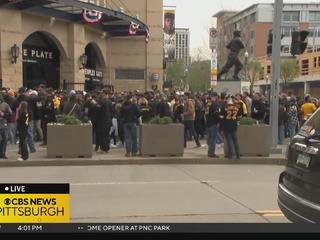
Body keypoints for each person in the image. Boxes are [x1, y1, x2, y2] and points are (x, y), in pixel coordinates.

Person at [206, 93, 221, 158]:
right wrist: (218, 121)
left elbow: (206, 113)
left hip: (209, 123)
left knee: (211, 138)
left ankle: (209, 152)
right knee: (213, 139)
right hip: (213, 123)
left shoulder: (208, 104)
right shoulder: (215, 104)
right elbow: (216, 114)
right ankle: (211, 153)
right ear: (216, 97)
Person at [0, 95, 12, 159]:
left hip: (3, 124)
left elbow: (10, 113)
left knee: (4, 139)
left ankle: (3, 154)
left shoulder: (5, 105)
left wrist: (3, 114)